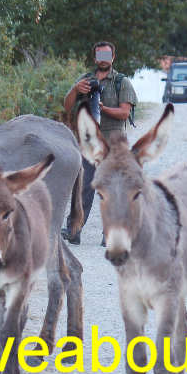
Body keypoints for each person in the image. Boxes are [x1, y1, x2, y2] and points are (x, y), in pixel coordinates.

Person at [62, 41, 138, 245]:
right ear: (95, 58)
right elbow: (67, 105)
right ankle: (73, 230)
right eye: (99, 56)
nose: (103, 60)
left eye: (107, 56)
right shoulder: (85, 80)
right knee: (82, 187)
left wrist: (101, 108)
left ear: (113, 58)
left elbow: (124, 113)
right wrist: (76, 90)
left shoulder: (122, 82)